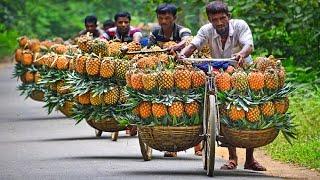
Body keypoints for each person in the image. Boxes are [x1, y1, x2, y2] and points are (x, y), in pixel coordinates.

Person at [179, 1, 266, 171]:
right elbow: (193, 45)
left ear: (229, 17)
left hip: (243, 71)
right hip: (220, 73)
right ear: (209, 20)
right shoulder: (206, 30)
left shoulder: (240, 26)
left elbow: (249, 45)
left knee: (250, 109)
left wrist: (241, 53)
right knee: (224, 110)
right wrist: (182, 56)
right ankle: (232, 158)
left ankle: (250, 159)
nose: (219, 23)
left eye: (222, 18)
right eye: (214, 19)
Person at [148, 3, 201, 158]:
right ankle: (170, 145)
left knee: (192, 105)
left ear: (174, 18)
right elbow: (150, 50)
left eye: (167, 18)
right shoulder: (155, 33)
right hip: (162, 73)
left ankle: (198, 144)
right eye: (161, 18)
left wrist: (176, 47)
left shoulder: (182, 30)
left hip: (185, 71)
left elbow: (189, 41)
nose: (164, 21)